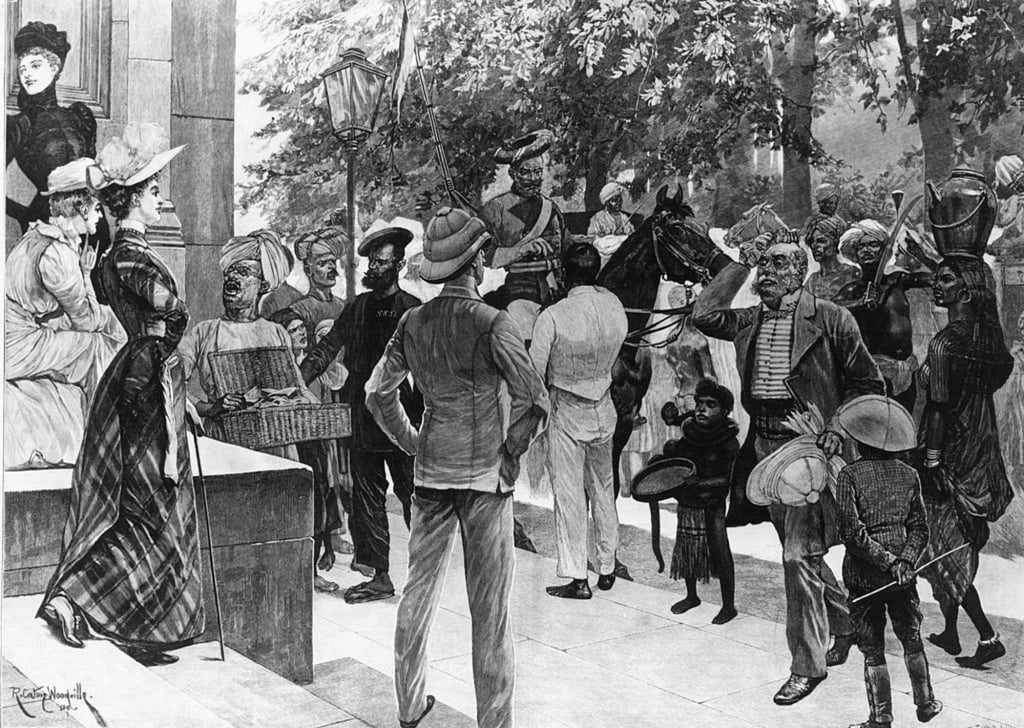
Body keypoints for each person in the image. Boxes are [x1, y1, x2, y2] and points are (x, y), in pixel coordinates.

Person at [366, 207, 548, 728]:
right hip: (485, 480)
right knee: (490, 611)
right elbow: (534, 400)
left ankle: (407, 707)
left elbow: (378, 394)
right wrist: (510, 450)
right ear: (478, 262)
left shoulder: (412, 321)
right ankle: (494, 722)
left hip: (431, 474)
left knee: (417, 592)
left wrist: (413, 443)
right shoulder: (494, 322)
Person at [37, 124, 203, 667]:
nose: (160, 199)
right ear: (132, 199)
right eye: (154, 191)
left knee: (143, 499)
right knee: (151, 500)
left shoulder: (114, 258)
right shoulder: (131, 255)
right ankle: (79, 601)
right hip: (146, 378)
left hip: (138, 372)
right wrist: (170, 365)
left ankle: (131, 624)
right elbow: (170, 316)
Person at [693, 235, 884, 705]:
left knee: (797, 556)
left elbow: (867, 382)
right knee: (805, 554)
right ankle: (847, 624)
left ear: (800, 271)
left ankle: (807, 665)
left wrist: (838, 426)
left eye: (778, 263)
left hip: (809, 448)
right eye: (763, 264)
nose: (767, 271)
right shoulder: (750, 319)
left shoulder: (832, 318)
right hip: (763, 447)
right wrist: (739, 262)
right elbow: (703, 315)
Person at [178, 230, 343, 593]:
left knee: (281, 522)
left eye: (245, 273)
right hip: (227, 449)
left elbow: (299, 391)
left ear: (264, 284)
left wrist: (313, 412)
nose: (233, 279)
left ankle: (294, 580)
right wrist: (210, 407)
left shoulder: (275, 333)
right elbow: (175, 381)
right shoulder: (204, 332)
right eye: (230, 273)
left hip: (277, 449)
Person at [301, 227, 421, 604]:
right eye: (371, 261)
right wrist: (297, 378)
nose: (375, 268)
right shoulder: (356, 307)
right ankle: (380, 576)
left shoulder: (413, 309)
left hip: (403, 419)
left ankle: (424, 574)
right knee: (367, 498)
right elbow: (327, 348)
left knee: (413, 495)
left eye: (383, 262)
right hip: (362, 419)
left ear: (399, 265)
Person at [918, 257, 1014, 668]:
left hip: (951, 452)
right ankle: (952, 632)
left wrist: (934, 460)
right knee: (957, 540)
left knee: (945, 545)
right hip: (982, 445)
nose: (934, 285)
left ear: (967, 290)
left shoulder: (945, 344)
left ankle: (988, 636)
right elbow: (998, 375)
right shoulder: (989, 340)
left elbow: (938, 408)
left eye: (944, 279)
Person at [5, 157, 125, 469]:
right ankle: (107, 441)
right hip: (17, 345)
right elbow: (85, 321)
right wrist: (87, 277)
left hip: (19, 335)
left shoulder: (37, 237)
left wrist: (84, 274)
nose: (101, 216)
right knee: (97, 345)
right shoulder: (58, 254)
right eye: (97, 208)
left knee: (105, 332)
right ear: (81, 208)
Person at [833, 395, 943, 728]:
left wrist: (887, 561)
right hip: (903, 578)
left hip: (864, 579)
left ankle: (881, 718)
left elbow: (852, 534)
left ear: (859, 440)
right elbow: (920, 528)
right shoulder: (909, 474)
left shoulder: (849, 476)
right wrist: (904, 562)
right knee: (912, 638)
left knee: (872, 648)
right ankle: (925, 703)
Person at [530, 242, 627, 599]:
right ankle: (606, 564)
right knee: (603, 489)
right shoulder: (614, 306)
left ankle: (576, 576)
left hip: (566, 410)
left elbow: (535, 376)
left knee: (570, 495)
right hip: (603, 407)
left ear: (564, 274)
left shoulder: (552, 317)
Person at [657, 378, 740, 624]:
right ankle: (691, 596)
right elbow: (679, 462)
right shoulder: (690, 433)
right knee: (687, 548)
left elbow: (728, 479)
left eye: (710, 405)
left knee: (720, 551)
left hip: (712, 503)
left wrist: (702, 484)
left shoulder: (728, 441)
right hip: (688, 500)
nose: (702, 408)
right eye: (700, 403)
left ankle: (728, 606)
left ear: (724, 411)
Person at [480, 128, 570, 340]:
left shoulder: (551, 207)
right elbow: (484, 257)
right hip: (519, 290)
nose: (533, 178)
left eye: (537, 172)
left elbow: (566, 245)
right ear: (513, 173)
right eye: (525, 172)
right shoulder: (496, 208)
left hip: (556, 289)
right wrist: (521, 250)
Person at [7, 22, 97, 233]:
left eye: (35, 65)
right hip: (49, 223)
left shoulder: (79, 115)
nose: (27, 74)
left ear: (55, 68)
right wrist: (24, 214)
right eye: (22, 69)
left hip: (91, 223)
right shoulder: (20, 124)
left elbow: (93, 174)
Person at [835, 220, 933, 411]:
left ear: (883, 251)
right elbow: (831, 311)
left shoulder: (898, 280)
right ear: (855, 253)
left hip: (905, 372)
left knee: (904, 429)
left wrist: (923, 257)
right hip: (873, 376)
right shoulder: (852, 290)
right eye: (861, 246)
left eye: (873, 244)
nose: (866, 250)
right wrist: (860, 305)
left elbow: (933, 279)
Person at [804, 214, 859, 300]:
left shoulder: (851, 273)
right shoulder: (811, 281)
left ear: (835, 242)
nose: (814, 245)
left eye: (821, 241)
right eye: (811, 241)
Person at [587, 181, 635, 265]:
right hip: (605, 257)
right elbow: (593, 240)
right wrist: (614, 239)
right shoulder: (598, 218)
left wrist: (624, 238)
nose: (618, 203)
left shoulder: (624, 218)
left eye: (620, 200)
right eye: (614, 200)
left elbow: (632, 236)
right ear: (607, 203)